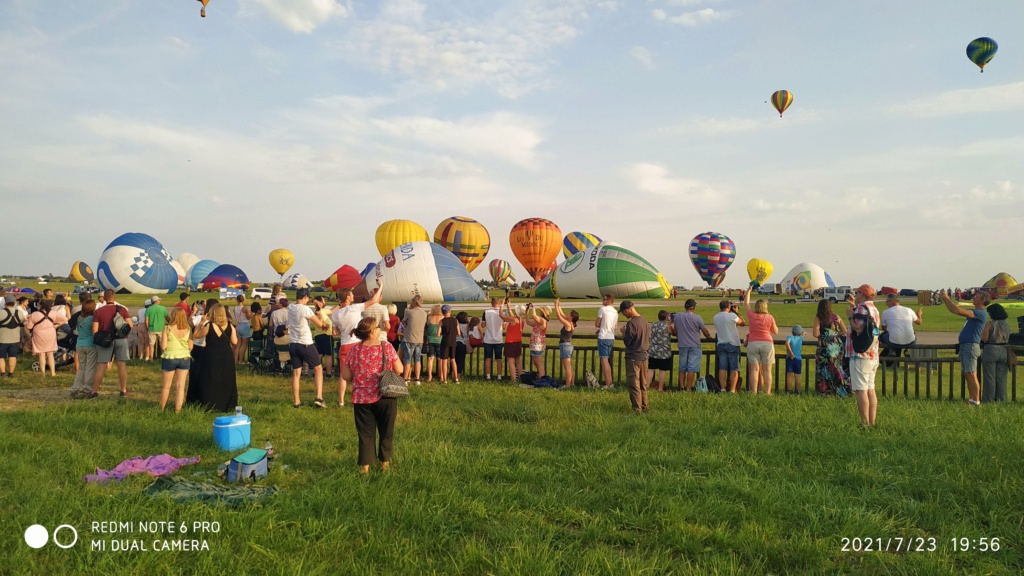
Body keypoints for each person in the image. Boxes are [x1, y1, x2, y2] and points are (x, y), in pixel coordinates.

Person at [340, 317, 403, 475]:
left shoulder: (355, 350)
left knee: (365, 434)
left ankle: (365, 468)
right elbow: (399, 369)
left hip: (361, 398)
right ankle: (385, 464)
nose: (379, 329)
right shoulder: (386, 347)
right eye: (377, 327)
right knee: (386, 431)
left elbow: (346, 376)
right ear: (372, 331)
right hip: (385, 395)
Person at [332, 285, 385, 405]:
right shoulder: (354, 308)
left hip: (344, 344)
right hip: (356, 344)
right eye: (351, 294)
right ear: (347, 297)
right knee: (361, 372)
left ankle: (341, 401)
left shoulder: (335, 314)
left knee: (343, 375)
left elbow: (335, 332)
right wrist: (380, 286)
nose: (354, 296)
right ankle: (362, 396)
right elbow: (374, 300)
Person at [940, 290, 989, 406]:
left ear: (983, 300)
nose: (974, 298)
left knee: (971, 373)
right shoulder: (975, 312)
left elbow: (956, 310)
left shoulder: (980, 313)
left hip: (970, 346)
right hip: (966, 346)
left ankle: (976, 401)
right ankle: (972, 399)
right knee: (968, 373)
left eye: (977, 297)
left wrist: (945, 298)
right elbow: (954, 310)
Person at [188, 302, 238, 412]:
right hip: (226, 354)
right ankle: (226, 404)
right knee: (225, 378)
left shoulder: (209, 325)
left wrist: (201, 323)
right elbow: (235, 341)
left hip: (212, 354)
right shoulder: (230, 325)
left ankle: (210, 403)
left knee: (210, 378)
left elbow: (196, 335)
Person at [287, 288, 329, 408]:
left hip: (293, 343)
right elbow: (320, 324)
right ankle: (319, 398)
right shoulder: (305, 309)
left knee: (296, 373)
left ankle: (296, 402)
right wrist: (320, 311)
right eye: (307, 299)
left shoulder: (291, 307)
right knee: (318, 369)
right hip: (305, 343)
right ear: (305, 297)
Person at [845, 285, 881, 426]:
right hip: (872, 354)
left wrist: (849, 316)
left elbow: (858, 327)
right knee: (871, 390)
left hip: (860, 355)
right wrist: (855, 307)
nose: (856, 294)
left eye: (858, 292)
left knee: (861, 391)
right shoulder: (874, 309)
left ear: (863, 294)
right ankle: (872, 422)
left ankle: (864, 423)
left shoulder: (861, 309)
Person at [91, 289, 132, 397]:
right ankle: (123, 390)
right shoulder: (122, 310)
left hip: (105, 340)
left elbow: (94, 330)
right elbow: (130, 325)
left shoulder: (98, 311)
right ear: (114, 297)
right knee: (121, 365)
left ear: (104, 298)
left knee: (101, 365)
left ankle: (94, 391)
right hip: (121, 339)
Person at [742, 289, 779, 394]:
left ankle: (753, 391)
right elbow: (775, 331)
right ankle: (767, 392)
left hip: (753, 343)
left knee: (754, 370)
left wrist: (749, 290)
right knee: (767, 370)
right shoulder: (769, 317)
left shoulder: (751, 316)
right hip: (767, 343)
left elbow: (746, 303)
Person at [879, 293, 923, 381]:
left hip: (894, 342)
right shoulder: (909, 310)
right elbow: (919, 322)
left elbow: (884, 328)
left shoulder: (886, 312)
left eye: (887, 302)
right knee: (914, 336)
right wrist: (919, 314)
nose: (886, 304)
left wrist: (891, 332)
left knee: (882, 336)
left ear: (891, 301)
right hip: (911, 342)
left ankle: (892, 350)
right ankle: (906, 350)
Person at [671, 299, 711, 391]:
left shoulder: (677, 317)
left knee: (682, 367)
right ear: (693, 307)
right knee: (691, 368)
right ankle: (688, 388)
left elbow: (675, 331)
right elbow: (705, 331)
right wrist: (709, 336)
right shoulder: (697, 317)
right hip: (694, 345)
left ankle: (681, 387)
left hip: (682, 345)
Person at [159, 308, 193, 412]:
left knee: (166, 386)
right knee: (180, 386)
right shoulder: (188, 329)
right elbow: (191, 346)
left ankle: (161, 409)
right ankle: (177, 410)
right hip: (184, 357)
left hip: (170, 357)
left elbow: (163, 346)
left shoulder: (167, 329)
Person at [619, 300, 651, 413]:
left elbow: (628, 341)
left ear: (628, 310)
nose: (624, 315)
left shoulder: (632, 323)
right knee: (643, 383)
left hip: (633, 356)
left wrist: (624, 332)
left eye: (623, 312)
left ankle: (636, 409)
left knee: (634, 383)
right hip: (644, 355)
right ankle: (644, 406)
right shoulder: (644, 321)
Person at [813, 299, 847, 395]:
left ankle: (825, 390)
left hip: (824, 346)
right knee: (836, 366)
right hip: (836, 345)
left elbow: (815, 334)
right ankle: (840, 389)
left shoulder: (819, 318)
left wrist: (825, 336)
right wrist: (834, 334)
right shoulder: (837, 317)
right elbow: (844, 331)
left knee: (823, 368)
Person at [25, 300, 66, 378]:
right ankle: (53, 373)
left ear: (40, 306)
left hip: (39, 334)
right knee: (50, 354)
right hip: (50, 334)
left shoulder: (35, 314)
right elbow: (65, 319)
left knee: (41, 354)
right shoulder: (53, 313)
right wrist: (57, 325)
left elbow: (29, 327)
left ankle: (43, 373)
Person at [713, 300, 746, 393]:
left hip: (721, 343)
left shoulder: (716, 317)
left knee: (722, 367)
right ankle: (732, 389)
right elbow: (743, 323)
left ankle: (723, 388)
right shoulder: (732, 316)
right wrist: (736, 312)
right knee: (734, 368)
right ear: (728, 307)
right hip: (733, 344)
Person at [981, 303, 1011, 403]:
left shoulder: (990, 324)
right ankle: (1001, 399)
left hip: (991, 349)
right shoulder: (1007, 324)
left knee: (990, 377)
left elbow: (984, 338)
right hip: (1004, 349)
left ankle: (989, 399)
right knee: (1001, 377)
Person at [69, 299, 97, 399]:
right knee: (90, 368)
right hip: (90, 344)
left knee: (82, 368)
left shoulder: (79, 318)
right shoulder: (92, 319)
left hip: (79, 344)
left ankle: (74, 388)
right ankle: (87, 389)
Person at [398, 295, 426, 385]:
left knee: (407, 360)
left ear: (415, 302)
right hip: (419, 339)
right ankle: (417, 379)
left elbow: (403, 322)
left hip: (409, 338)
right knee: (417, 359)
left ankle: (406, 379)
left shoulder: (409, 312)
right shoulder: (424, 313)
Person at [0, 297, 28, 379]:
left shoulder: (1, 312)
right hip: (15, 338)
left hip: (2, 338)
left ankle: (2, 373)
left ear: (5, 303)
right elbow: (23, 322)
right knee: (12, 356)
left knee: (1, 357)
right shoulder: (19, 313)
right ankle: (11, 373)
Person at [552, 299, 578, 387]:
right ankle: (572, 383)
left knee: (567, 367)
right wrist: (559, 305)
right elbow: (562, 314)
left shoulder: (567, 324)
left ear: (571, 317)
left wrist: (555, 305)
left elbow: (559, 316)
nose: (566, 314)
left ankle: (567, 386)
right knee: (569, 366)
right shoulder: (571, 323)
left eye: (569, 313)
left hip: (565, 346)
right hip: (568, 345)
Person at [595, 294, 618, 387]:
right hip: (611, 337)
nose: (602, 301)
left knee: (604, 360)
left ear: (608, 301)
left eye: (604, 299)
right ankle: (610, 382)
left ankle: (609, 383)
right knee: (607, 359)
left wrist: (600, 327)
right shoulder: (615, 312)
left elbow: (597, 323)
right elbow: (615, 326)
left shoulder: (602, 309)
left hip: (603, 336)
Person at [499, 299, 524, 381]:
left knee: (511, 361)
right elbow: (513, 316)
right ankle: (521, 377)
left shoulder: (513, 320)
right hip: (518, 342)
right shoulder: (521, 320)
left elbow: (501, 315)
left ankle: (513, 378)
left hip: (510, 342)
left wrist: (501, 305)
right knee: (518, 361)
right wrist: (509, 307)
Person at [480, 297, 505, 380]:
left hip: (488, 338)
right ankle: (499, 376)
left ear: (491, 303)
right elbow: (504, 326)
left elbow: (483, 325)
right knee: (499, 358)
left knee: (488, 358)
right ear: (498, 303)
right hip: (498, 339)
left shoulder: (486, 312)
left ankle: (488, 376)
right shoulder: (502, 312)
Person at [648, 310, 673, 392]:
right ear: (666, 317)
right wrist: (670, 323)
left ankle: (646, 386)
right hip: (664, 352)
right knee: (662, 371)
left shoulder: (653, 324)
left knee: (651, 369)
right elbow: (673, 332)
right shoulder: (667, 326)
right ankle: (660, 388)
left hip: (653, 351)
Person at [310, 295, 334, 377]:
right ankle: (329, 372)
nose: (325, 302)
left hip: (318, 336)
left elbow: (331, 311)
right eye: (323, 300)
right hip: (326, 335)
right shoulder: (319, 313)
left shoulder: (319, 311)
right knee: (328, 355)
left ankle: (317, 372)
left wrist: (340, 305)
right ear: (320, 303)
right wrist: (325, 325)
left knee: (319, 354)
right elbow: (322, 324)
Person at [525, 304, 550, 377]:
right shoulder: (538, 321)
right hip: (534, 344)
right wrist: (526, 314)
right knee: (535, 362)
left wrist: (533, 307)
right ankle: (540, 376)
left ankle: (542, 378)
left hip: (538, 345)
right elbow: (529, 322)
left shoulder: (543, 321)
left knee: (538, 363)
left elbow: (534, 316)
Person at [438, 305, 460, 383]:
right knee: (453, 360)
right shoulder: (455, 320)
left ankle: (445, 379)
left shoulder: (442, 321)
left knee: (444, 360)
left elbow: (438, 334)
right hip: (453, 342)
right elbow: (459, 333)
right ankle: (456, 378)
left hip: (445, 342)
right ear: (449, 311)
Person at [144, 295, 168, 362]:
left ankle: (151, 357)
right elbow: (167, 318)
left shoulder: (148, 309)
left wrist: (147, 327)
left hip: (152, 328)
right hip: (161, 328)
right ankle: (163, 357)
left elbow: (146, 320)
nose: (160, 301)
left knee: (151, 344)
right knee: (162, 343)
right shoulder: (163, 308)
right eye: (159, 300)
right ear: (156, 301)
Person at [424, 305, 444, 382]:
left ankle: (429, 376)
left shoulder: (429, 318)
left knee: (430, 358)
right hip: (440, 340)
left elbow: (427, 326)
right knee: (440, 359)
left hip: (430, 340)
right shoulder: (442, 318)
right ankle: (440, 375)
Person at [232, 295, 251, 365]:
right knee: (244, 344)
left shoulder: (235, 308)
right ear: (243, 300)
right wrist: (251, 314)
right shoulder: (245, 308)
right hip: (244, 325)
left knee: (238, 344)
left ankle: (235, 360)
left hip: (238, 325)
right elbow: (248, 318)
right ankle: (241, 360)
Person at [785, 325, 804, 394]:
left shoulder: (789, 337)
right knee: (797, 375)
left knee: (789, 375)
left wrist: (790, 353)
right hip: (798, 359)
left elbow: (787, 343)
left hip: (790, 358)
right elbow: (804, 334)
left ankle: (789, 391)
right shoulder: (801, 338)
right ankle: (797, 391)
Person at [454, 311, 469, 377]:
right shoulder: (467, 326)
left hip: (454, 343)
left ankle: (452, 374)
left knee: (453, 359)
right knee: (460, 360)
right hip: (463, 343)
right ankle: (458, 375)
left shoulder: (456, 324)